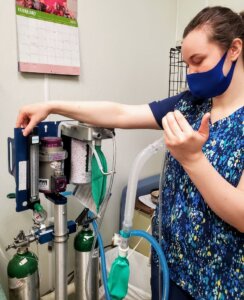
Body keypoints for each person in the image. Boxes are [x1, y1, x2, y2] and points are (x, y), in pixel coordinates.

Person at [16, 6, 243, 300]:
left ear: (234, 49)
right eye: (186, 64)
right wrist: (53, 106)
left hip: (216, 284)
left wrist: (192, 160)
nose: (191, 74)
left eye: (198, 61)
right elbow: (121, 113)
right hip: (168, 266)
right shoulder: (192, 103)